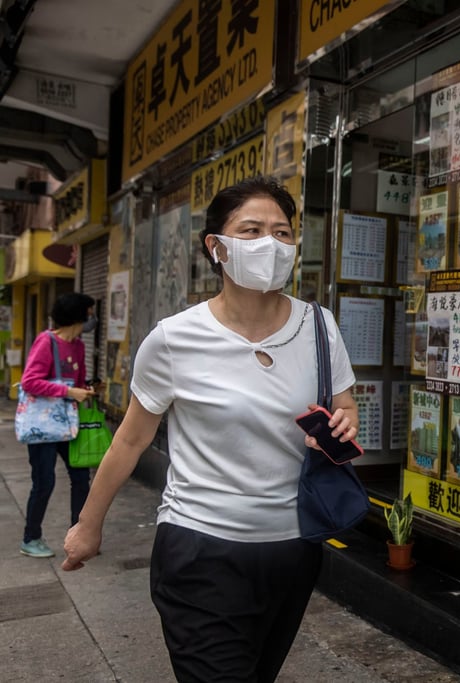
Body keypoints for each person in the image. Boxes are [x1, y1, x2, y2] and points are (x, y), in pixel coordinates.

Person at [62, 176, 360, 682]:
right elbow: (131, 439)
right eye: (251, 230)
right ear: (216, 247)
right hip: (201, 549)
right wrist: (89, 525)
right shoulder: (175, 339)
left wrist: (345, 423)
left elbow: (346, 408)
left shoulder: (320, 325)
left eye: (282, 233)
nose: (270, 243)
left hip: (294, 549)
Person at [19, 292, 98, 558]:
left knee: (81, 479)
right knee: (44, 482)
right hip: (43, 427)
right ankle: (30, 538)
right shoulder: (46, 341)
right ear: (78, 315)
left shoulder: (78, 345)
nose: (92, 318)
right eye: (89, 312)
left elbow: (78, 381)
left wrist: (86, 390)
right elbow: (30, 381)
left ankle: (80, 535)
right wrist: (68, 392)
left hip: (69, 424)